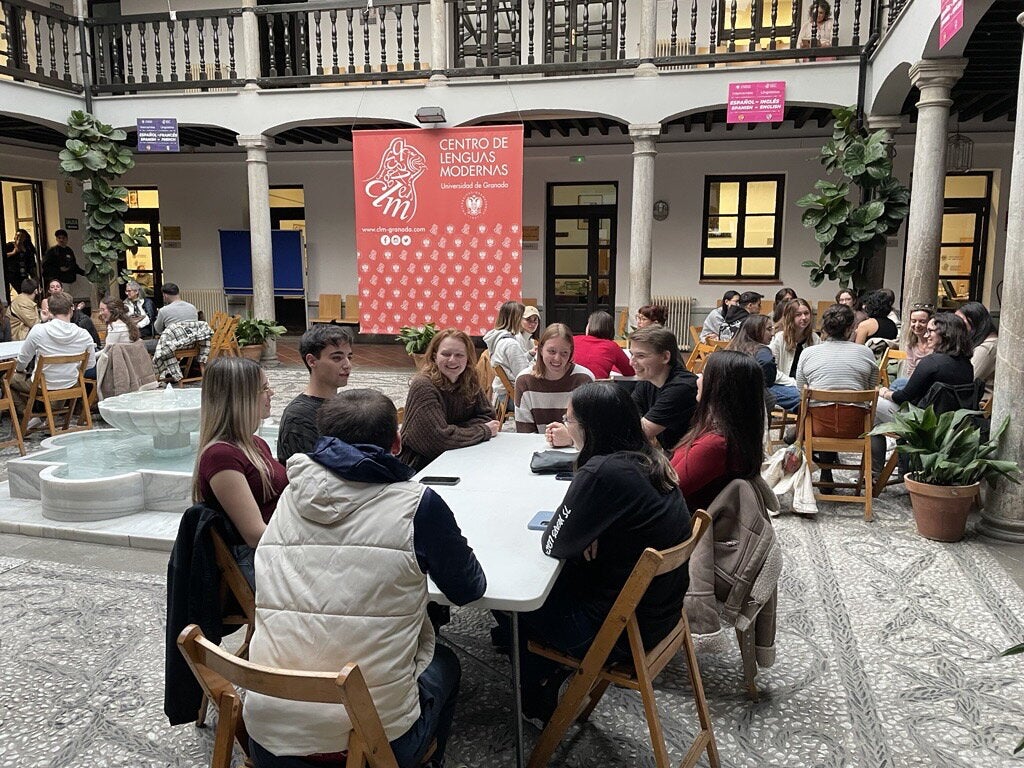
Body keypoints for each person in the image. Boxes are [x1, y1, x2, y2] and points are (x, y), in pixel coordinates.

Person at [244, 389, 486, 768]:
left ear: (324, 441)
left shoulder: (292, 494)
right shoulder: (417, 504)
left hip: (269, 738)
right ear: (396, 442)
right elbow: (468, 589)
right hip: (368, 744)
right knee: (446, 665)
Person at [515, 381, 691, 724]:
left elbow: (554, 543)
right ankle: (554, 676)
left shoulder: (601, 472)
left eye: (570, 420)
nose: (567, 427)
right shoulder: (650, 457)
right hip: (662, 618)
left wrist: (582, 534)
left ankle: (537, 698)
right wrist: (591, 532)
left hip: (618, 632)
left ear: (589, 427)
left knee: (516, 604)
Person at [193, 357, 287, 548]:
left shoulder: (256, 443)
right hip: (267, 560)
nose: (272, 393)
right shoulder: (221, 456)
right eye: (264, 388)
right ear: (239, 397)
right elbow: (254, 535)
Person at [874, 313, 975, 470]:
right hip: (952, 426)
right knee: (900, 384)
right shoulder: (967, 365)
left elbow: (904, 397)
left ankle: (877, 473)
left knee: (874, 407)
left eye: (930, 331)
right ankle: (901, 466)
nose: (926, 335)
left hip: (924, 426)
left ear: (945, 333)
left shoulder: (931, 363)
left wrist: (884, 392)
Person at [671, 350, 767, 511]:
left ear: (719, 387)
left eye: (703, 374)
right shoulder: (732, 432)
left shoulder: (716, 445)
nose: (698, 379)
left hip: (676, 525)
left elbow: (667, 491)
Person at [796, 304, 879, 484]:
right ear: (851, 328)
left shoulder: (808, 353)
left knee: (818, 408)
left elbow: (800, 389)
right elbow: (871, 388)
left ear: (824, 328)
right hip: (855, 428)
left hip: (818, 427)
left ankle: (824, 470)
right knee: (840, 405)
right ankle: (829, 473)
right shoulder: (866, 353)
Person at [398, 328, 499, 470]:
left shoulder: (470, 379)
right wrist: (482, 431)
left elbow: (489, 417)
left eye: (459, 355)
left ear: (468, 358)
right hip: (421, 466)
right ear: (434, 356)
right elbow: (437, 441)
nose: (452, 360)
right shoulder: (423, 386)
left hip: (461, 456)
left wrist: (452, 432)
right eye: (446, 354)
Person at [277, 324, 354, 465]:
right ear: (312, 361)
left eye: (349, 357)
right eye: (337, 358)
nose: (347, 364)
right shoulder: (298, 416)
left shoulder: (342, 405)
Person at [11, 291, 97, 415]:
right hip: (71, 384)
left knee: (5, 378)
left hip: (43, 385)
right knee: (58, 382)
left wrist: (19, 370)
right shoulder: (84, 335)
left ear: (50, 311)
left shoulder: (39, 331)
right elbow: (90, 364)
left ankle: (26, 414)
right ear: (71, 309)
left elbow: (23, 359)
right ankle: (49, 415)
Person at [515, 323, 593, 443]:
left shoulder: (584, 379)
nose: (557, 358)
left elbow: (591, 429)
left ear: (570, 353)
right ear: (540, 350)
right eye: (551, 351)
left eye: (564, 353)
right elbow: (525, 433)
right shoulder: (524, 381)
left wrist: (571, 439)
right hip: (537, 451)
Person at [628, 325, 698, 450]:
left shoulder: (682, 388)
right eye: (632, 354)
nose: (631, 362)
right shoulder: (648, 380)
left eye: (641, 356)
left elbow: (641, 432)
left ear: (665, 357)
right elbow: (628, 414)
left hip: (688, 458)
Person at [728, 314, 796, 412]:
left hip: (734, 395)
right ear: (755, 330)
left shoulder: (733, 346)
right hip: (756, 393)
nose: (772, 334)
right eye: (769, 329)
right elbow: (766, 363)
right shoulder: (762, 350)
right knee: (801, 397)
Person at [768, 298, 819, 412]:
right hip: (781, 384)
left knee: (817, 399)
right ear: (790, 317)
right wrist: (795, 383)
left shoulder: (815, 338)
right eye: (798, 315)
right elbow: (772, 371)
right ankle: (804, 427)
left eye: (806, 313)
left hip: (807, 386)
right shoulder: (779, 338)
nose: (804, 318)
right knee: (802, 399)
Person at [483, 301, 531, 402]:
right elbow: (523, 374)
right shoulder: (511, 344)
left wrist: (530, 355)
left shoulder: (499, 340)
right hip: (512, 398)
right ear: (516, 319)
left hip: (502, 395)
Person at [572, 310, 635, 379]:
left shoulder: (573, 340)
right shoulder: (612, 346)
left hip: (570, 386)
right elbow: (630, 372)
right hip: (598, 387)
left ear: (589, 326)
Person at [956, 301, 998, 399]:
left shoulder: (987, 348)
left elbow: (967, 380)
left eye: (960, 322)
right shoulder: (980, 344)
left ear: (973, 322)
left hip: (979, 405)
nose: (957, 326)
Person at [891, 303, 934, 389]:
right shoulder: (911, 345)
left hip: (932, 384)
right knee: (898, 383)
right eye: (913, 321)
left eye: (922, 322)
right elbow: (910, 371)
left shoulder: (935, 343)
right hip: (916, 382)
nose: (917, 325)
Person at [4, 229, 37, 294]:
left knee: (26, 292)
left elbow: (31, 263)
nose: (19, 238)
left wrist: (34, 276)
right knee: (21, 291)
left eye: (22, 236)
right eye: (17, 235)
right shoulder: (9, 246)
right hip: (12, 274)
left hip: (24, 274)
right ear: (15, 236)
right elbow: (2, 257)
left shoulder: (28, 248)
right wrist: (13, 253)